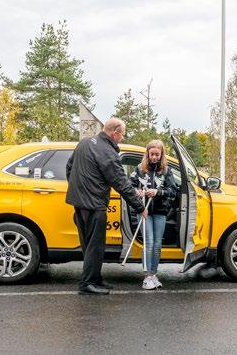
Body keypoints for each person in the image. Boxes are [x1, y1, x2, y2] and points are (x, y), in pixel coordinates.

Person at [66, 118, 148, 295]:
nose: (122, 138)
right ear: (115, 133)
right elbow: (121, 182)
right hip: (94, 205)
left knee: (89, 245)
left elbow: (69, 167)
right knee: (95, 246)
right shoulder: (107, 152)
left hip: (79, 203)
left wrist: (77, 189)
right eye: (122, 135)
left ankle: (95, 279)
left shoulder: (85, 142)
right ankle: (87, 284)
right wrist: (140, 207)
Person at [130, 140, 176, 290]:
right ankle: (146, 277)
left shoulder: (167, 171)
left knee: (157, 245)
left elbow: (173, 191)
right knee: (148, 243)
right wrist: (137, 191)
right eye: (152, 154)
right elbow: (128, 185)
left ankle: (153, 274)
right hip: (144, 211)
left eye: (157, 154)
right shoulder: (139, 169)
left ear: (162, 154)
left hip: (161, 212)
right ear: (147, 154)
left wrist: (158, 192)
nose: (154, 157)